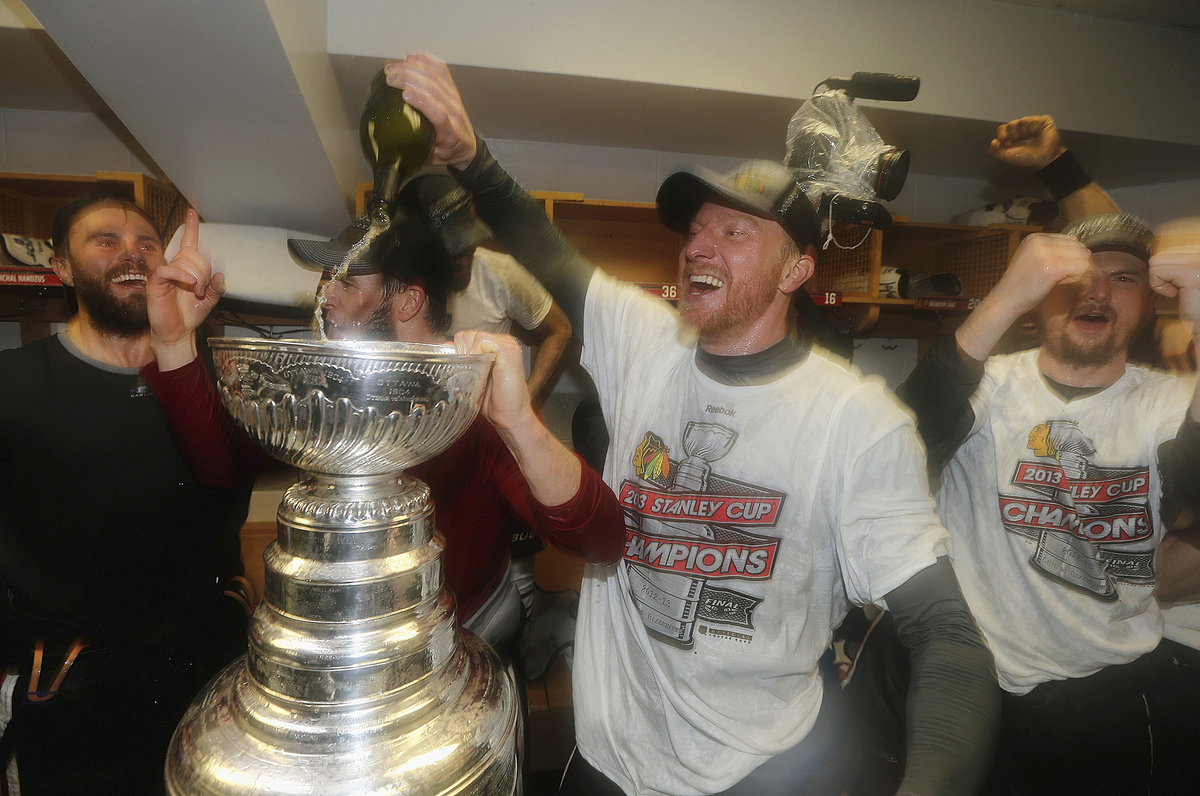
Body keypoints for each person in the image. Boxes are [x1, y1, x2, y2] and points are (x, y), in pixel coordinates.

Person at [388, 53, 999, 796]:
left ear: (796, 271)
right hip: (610, 760)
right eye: (696, 230)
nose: (699, 246)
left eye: (736, 232)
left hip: (755, 770)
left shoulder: (857, 421)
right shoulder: (645, 342)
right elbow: (546, 248)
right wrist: (468, 155)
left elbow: (946, 636)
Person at [150, 214, 626, 659]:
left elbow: (602, 540)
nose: (324, 296)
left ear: (408, 301)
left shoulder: (473, 409)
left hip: (464, 645)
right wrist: (172, 342)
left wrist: (520, 423)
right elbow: (220, 468)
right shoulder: (329, 394)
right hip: (362, 652)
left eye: (346, 282)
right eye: (326, 279)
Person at [898, 199, 1200, 792]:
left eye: (1124, 279)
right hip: (976, 683)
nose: (1098, 293)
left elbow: (1193, 490)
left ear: (1149, 303)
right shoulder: (989, 383)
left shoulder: (1166, 402)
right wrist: (1004, 299)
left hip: (1107, 683)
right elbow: (904, 437)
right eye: (1077, 278)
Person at [0, 194, 250, 794]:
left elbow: (231, 493)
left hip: (206, 674)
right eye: (105, 240)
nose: (132, 253)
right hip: (68, 689)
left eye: (146, 243)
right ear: (62, 267)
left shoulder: (219, 383)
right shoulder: (12, 383)